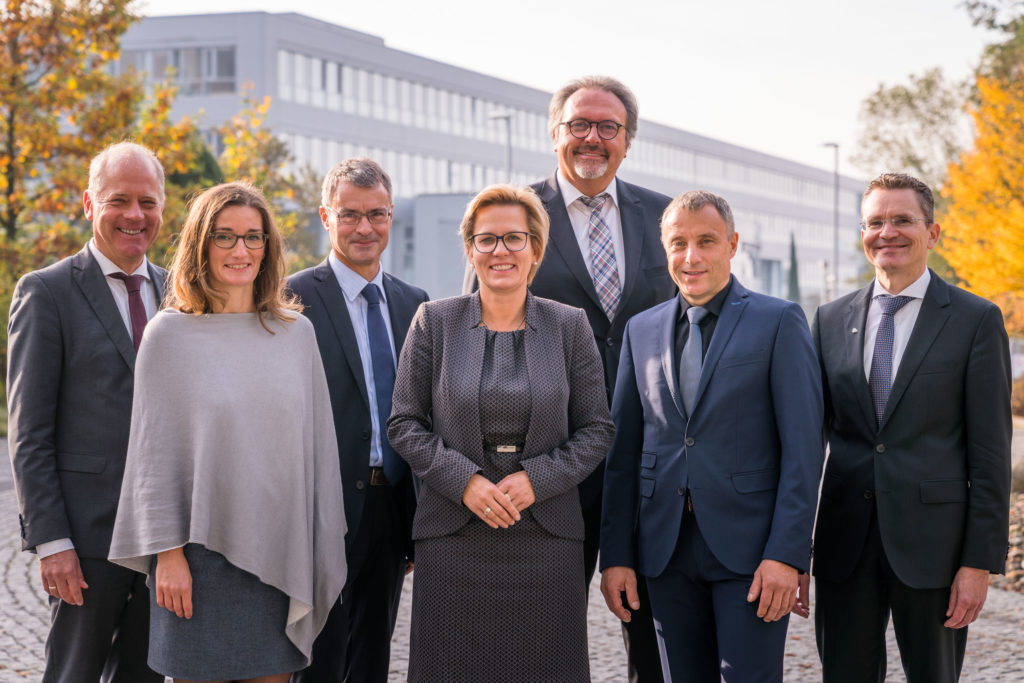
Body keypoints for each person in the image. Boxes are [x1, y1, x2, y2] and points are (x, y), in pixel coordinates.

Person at [463, 75, 673, 681]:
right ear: (554, 134)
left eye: (608, 126)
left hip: (648, 461)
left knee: (656, 640)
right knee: (536, 638)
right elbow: (473, 336)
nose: (592, 137)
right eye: (578, 124)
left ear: (628, 139)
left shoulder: (666, 217)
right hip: (544, 467)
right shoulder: (513, 216)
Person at [107, 182, 346, 682]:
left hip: (280, 554)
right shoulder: (168, 335)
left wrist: (313, 548)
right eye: (225, 236)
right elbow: (152, 458)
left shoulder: (296, 334)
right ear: (201, 245)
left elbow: (317, 450)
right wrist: (168, 557)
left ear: (268, 246)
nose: (241, 250)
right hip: (196, 558)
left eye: (253, 237)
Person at [389, 184, 614, 682]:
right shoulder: (434, 322)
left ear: (535, 248)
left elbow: (597, 429)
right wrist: (464, 481)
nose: (500, 251)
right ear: (470, 249)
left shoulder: (570, 326)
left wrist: (537, 479)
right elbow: (404, 423)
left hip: (546, 537)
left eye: (514, 238)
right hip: (453, 536)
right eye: (486, 239)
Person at [600, 190, 823, 681]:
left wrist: (786, 554)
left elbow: (804, 452)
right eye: (678, 243)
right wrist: (615, 556)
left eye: (706, 241)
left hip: (752, 553)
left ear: (732, 244)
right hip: (664, 551)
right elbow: (623, 453)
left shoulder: (778, 320)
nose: (691, 257)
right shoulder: (641, 330)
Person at [808, 172, 1012, 682]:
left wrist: (978, 563)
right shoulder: (828, 320)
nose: (887, 232)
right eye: (875, 222)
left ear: (932, 232)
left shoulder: (975, 319)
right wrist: (790, 552)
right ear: (862, 233)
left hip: (935, 550)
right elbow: (805, 446)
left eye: (902, 220)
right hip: (844, 545)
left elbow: (990, 453)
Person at [6, 141, 167, 683]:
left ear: (162, 207)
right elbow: (29, 433)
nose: (134, 215)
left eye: (147, 201)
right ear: (89, 204)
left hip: (164, 540)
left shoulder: (181, 293)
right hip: (86, 543)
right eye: (118, 200)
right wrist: (52, 542)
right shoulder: (46, 292)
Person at [288, 158, 428, 683]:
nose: (364, 227)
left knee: (373, 655)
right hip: (321, 507)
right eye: (350, 214)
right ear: (326, 216)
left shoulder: (415, 304)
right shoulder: (291, 300)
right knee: (317, 660)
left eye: (377, 214)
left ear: (391, 217)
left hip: (392, 504)